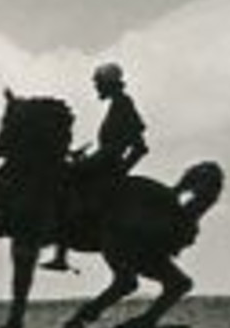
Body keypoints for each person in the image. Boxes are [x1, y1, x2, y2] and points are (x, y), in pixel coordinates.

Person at [43, 61, 151, 272]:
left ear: (108, 84)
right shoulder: (119, 104)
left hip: (107, 165)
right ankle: (61, 251)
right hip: (105, 162)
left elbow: (139, 148)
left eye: (98, 83)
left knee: (64, 183)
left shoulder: (123, 106)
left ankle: (61, 253)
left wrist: (117, 171)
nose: (96, 87)